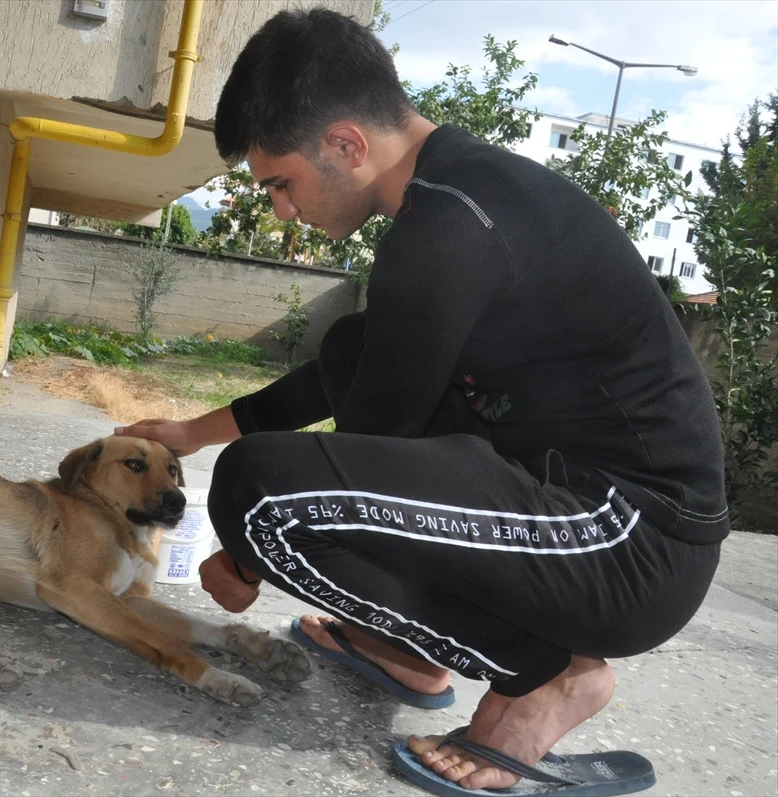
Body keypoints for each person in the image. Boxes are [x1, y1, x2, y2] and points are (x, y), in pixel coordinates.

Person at [115, 7, 728, 797]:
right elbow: (364, 375)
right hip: (577, 501)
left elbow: (365, 451)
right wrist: (192, 431)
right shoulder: (458, 191)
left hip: (630, 543)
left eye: (280, 183)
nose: (281, 209)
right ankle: (409, 649)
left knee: (260, 497)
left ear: (346, 143)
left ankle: (545, 678)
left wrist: (241, 554)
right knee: (348, 348)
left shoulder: (448, 229)